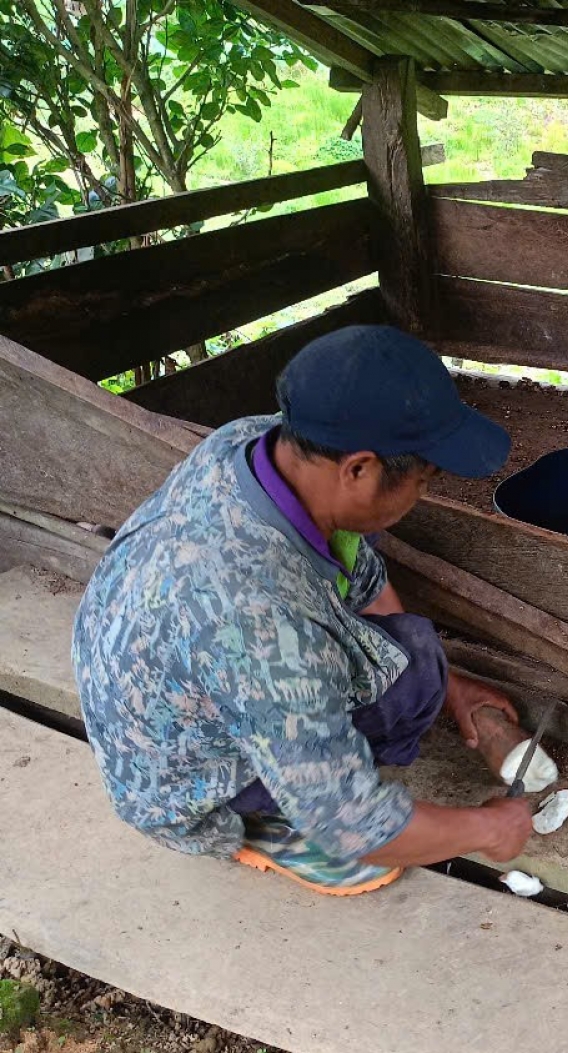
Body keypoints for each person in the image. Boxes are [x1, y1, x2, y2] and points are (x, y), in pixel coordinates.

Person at [72, 325, 536, 896]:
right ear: (359, 470)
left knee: (417, 660)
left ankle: (299, 770)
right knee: (407, 682)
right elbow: (355, 821)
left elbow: (356, 571)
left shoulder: (258, 444)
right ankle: (266, 824)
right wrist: (490, 827)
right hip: (183, 790)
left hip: (148, 689)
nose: (422, 495)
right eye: (423, 480)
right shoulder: (262, 626)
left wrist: (453, 689)